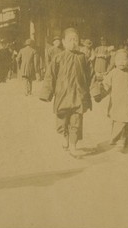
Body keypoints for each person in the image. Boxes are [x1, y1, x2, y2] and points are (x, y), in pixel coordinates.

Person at [40, 28, 93, 156]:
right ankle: (65, 137)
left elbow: (91, 75)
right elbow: (50, 76)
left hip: (78, 95)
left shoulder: (83, 58)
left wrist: (95, 91)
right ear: (63, 42)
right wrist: (46, 93)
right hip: (62, 96)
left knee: (76, 121)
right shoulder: (58, 58)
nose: (73, 42)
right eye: (70, 40)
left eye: (76, 40)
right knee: (61, 121)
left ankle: (73, 146)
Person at [100, 49, 128, 151]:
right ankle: (115, 138)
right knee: (117, 121)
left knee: (127, 121)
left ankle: (123, 140)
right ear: (114, 62)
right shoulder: (113, 73)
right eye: (118, 60)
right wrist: (100, 89)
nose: (121, 62)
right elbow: (106, 85)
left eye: (124, 59)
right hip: (116, 102)